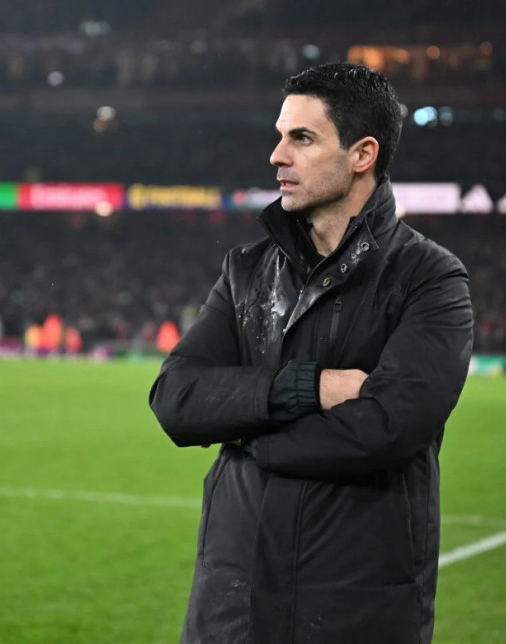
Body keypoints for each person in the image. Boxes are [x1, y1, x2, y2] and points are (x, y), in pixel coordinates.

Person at [149, 63, 473, 643]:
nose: (277, 155)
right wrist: (309, 387)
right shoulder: (245, 271)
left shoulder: (429, 278)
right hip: (231, 609)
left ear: (362, 154)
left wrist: (248, 437)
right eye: (280, 135)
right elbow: (175, 399)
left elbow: (388, 426)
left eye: (302, 138)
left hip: (354, 612)